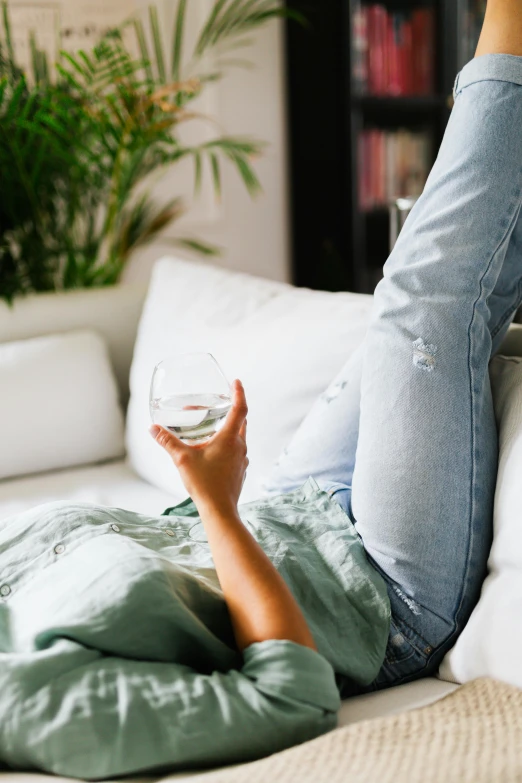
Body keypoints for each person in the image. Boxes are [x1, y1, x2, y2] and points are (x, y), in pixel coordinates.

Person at [1, 0, 522, 777]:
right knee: (429, 296)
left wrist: (221, 507)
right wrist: (213, 501)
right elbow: (291, 695)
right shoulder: (41, 711)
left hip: (284, 508)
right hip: (374, 595)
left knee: (402, 302)